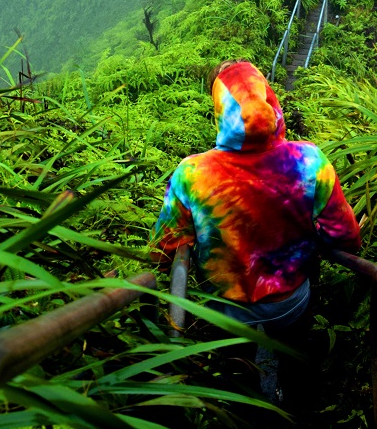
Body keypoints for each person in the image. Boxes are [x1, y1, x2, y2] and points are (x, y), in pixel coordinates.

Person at [150, 60, 361, 397]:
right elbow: (345, 235)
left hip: (226, 306)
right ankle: (294, 403)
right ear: (269, 101)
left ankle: (246, 408)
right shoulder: (310, 160)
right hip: (290, 299)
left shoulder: (191, 173)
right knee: (294, 362)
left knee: (237, 375)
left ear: (221, 111)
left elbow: (165, 247)